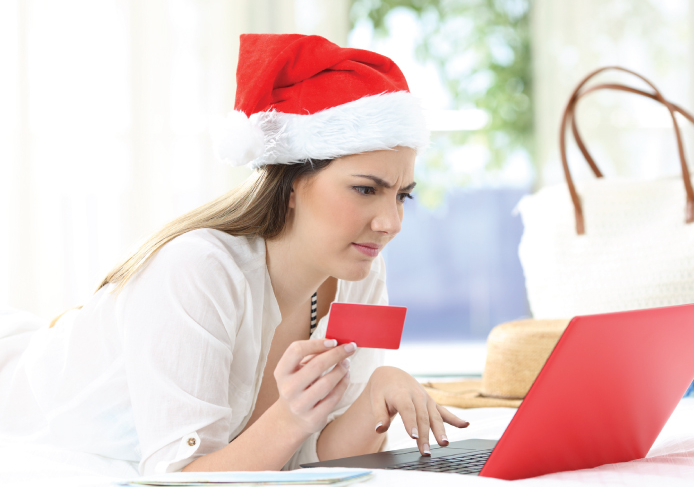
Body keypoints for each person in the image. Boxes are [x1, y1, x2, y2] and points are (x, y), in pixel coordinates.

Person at [0, 34, 468, 477]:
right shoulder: (197, 271)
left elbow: (314, 455)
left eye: (402, 195)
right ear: (289, 186)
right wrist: (290, 416)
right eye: (366, 189)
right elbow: (181, 479)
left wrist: (377, 395)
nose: (391, 223)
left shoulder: (363, 271)